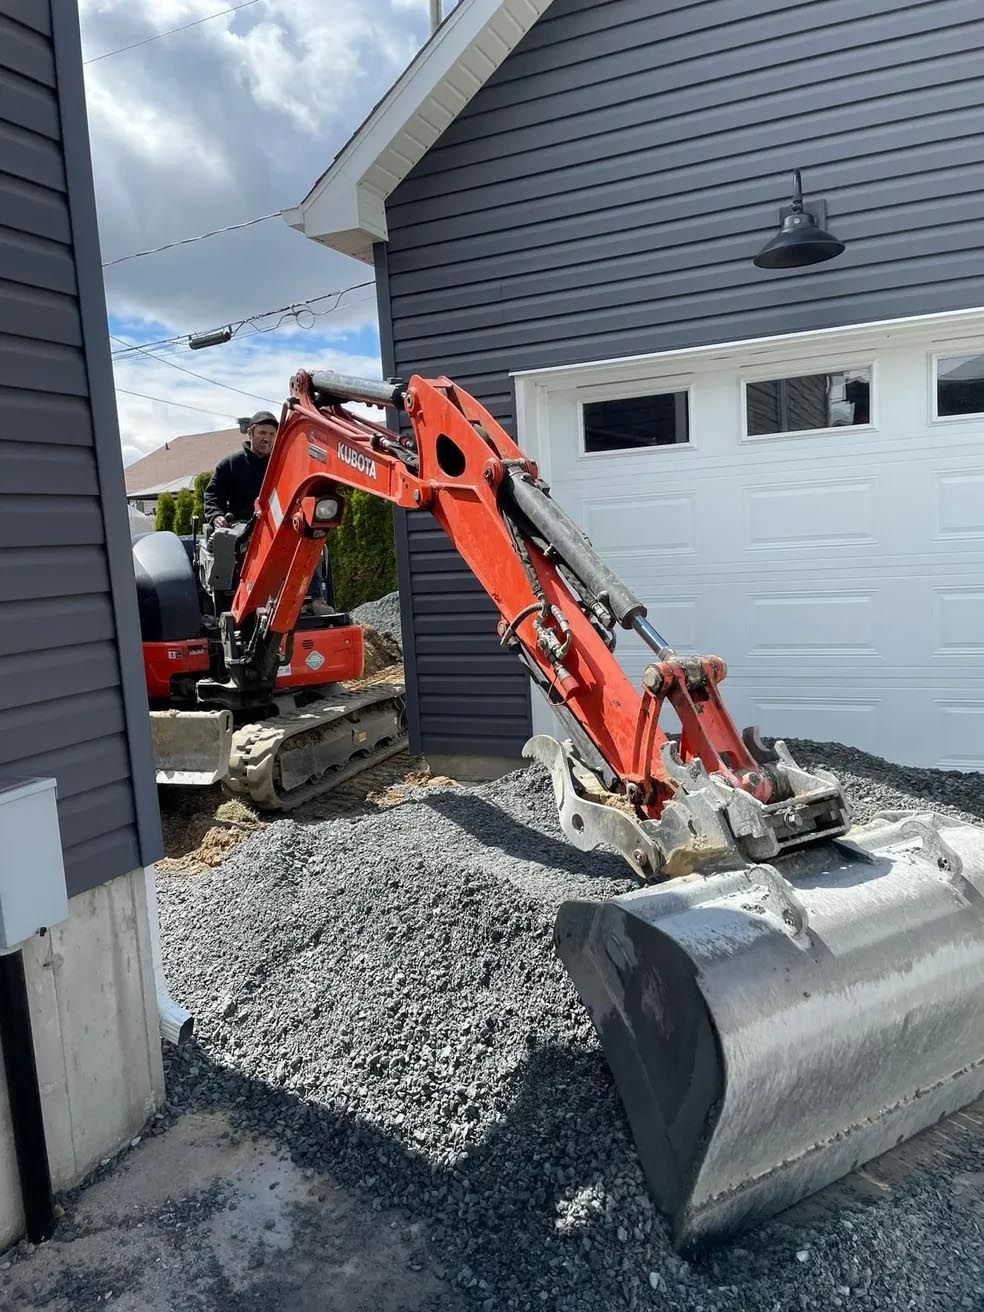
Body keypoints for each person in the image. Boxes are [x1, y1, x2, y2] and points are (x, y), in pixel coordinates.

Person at [203, 411, 278, 528]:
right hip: (240, 525)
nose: (267, 439)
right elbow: (213, 495)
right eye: (262, 433)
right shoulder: (231, 464)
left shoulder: (280, 466)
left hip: (275, 527)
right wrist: (216, 516)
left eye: (272, 434)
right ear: (250, 433)